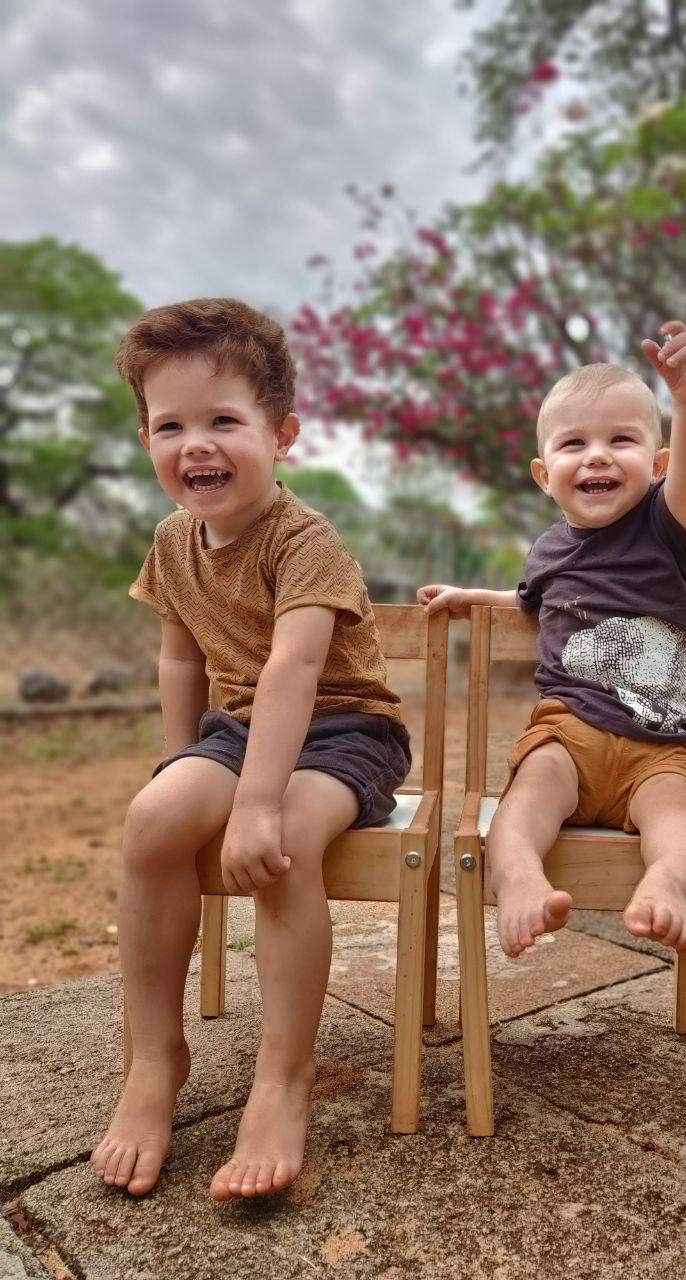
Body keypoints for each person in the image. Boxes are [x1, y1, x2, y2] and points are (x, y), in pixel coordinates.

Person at [90, 298, 410, 1201]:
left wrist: (257, 804)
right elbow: (180, 658)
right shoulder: (171, 542)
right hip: (238, 731)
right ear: (147, 440)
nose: (197, 444)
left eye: (224, 421)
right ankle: (157, 1059)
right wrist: (181, 768)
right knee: (153, 821)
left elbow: (294, 669)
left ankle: (282, 1079)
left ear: (282, 435)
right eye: (171, 426)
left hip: (347, 729)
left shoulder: (306, 541)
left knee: (284, 845)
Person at [419, 320, 686, 962]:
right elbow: (535, 602)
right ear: (544, 474)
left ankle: (667, 883)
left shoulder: (665, 524)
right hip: (569, 731)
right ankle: (519, 878)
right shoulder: (548, 550)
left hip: (662, 746)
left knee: (677, 820)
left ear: (658, 465)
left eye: (621, 439)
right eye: (574, 443)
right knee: (525, 799)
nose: (597, 455)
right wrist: (473, 597)